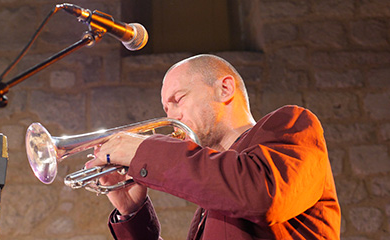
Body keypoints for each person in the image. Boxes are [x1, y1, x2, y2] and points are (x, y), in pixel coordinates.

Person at [86, 54, 341, 239]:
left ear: (225, 89)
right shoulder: (214, 192)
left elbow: (262, 194)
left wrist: (144, 151)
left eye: (178, 99)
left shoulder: (291, 124)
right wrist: (133, 214)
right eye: (166, 108)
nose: (171, 118)